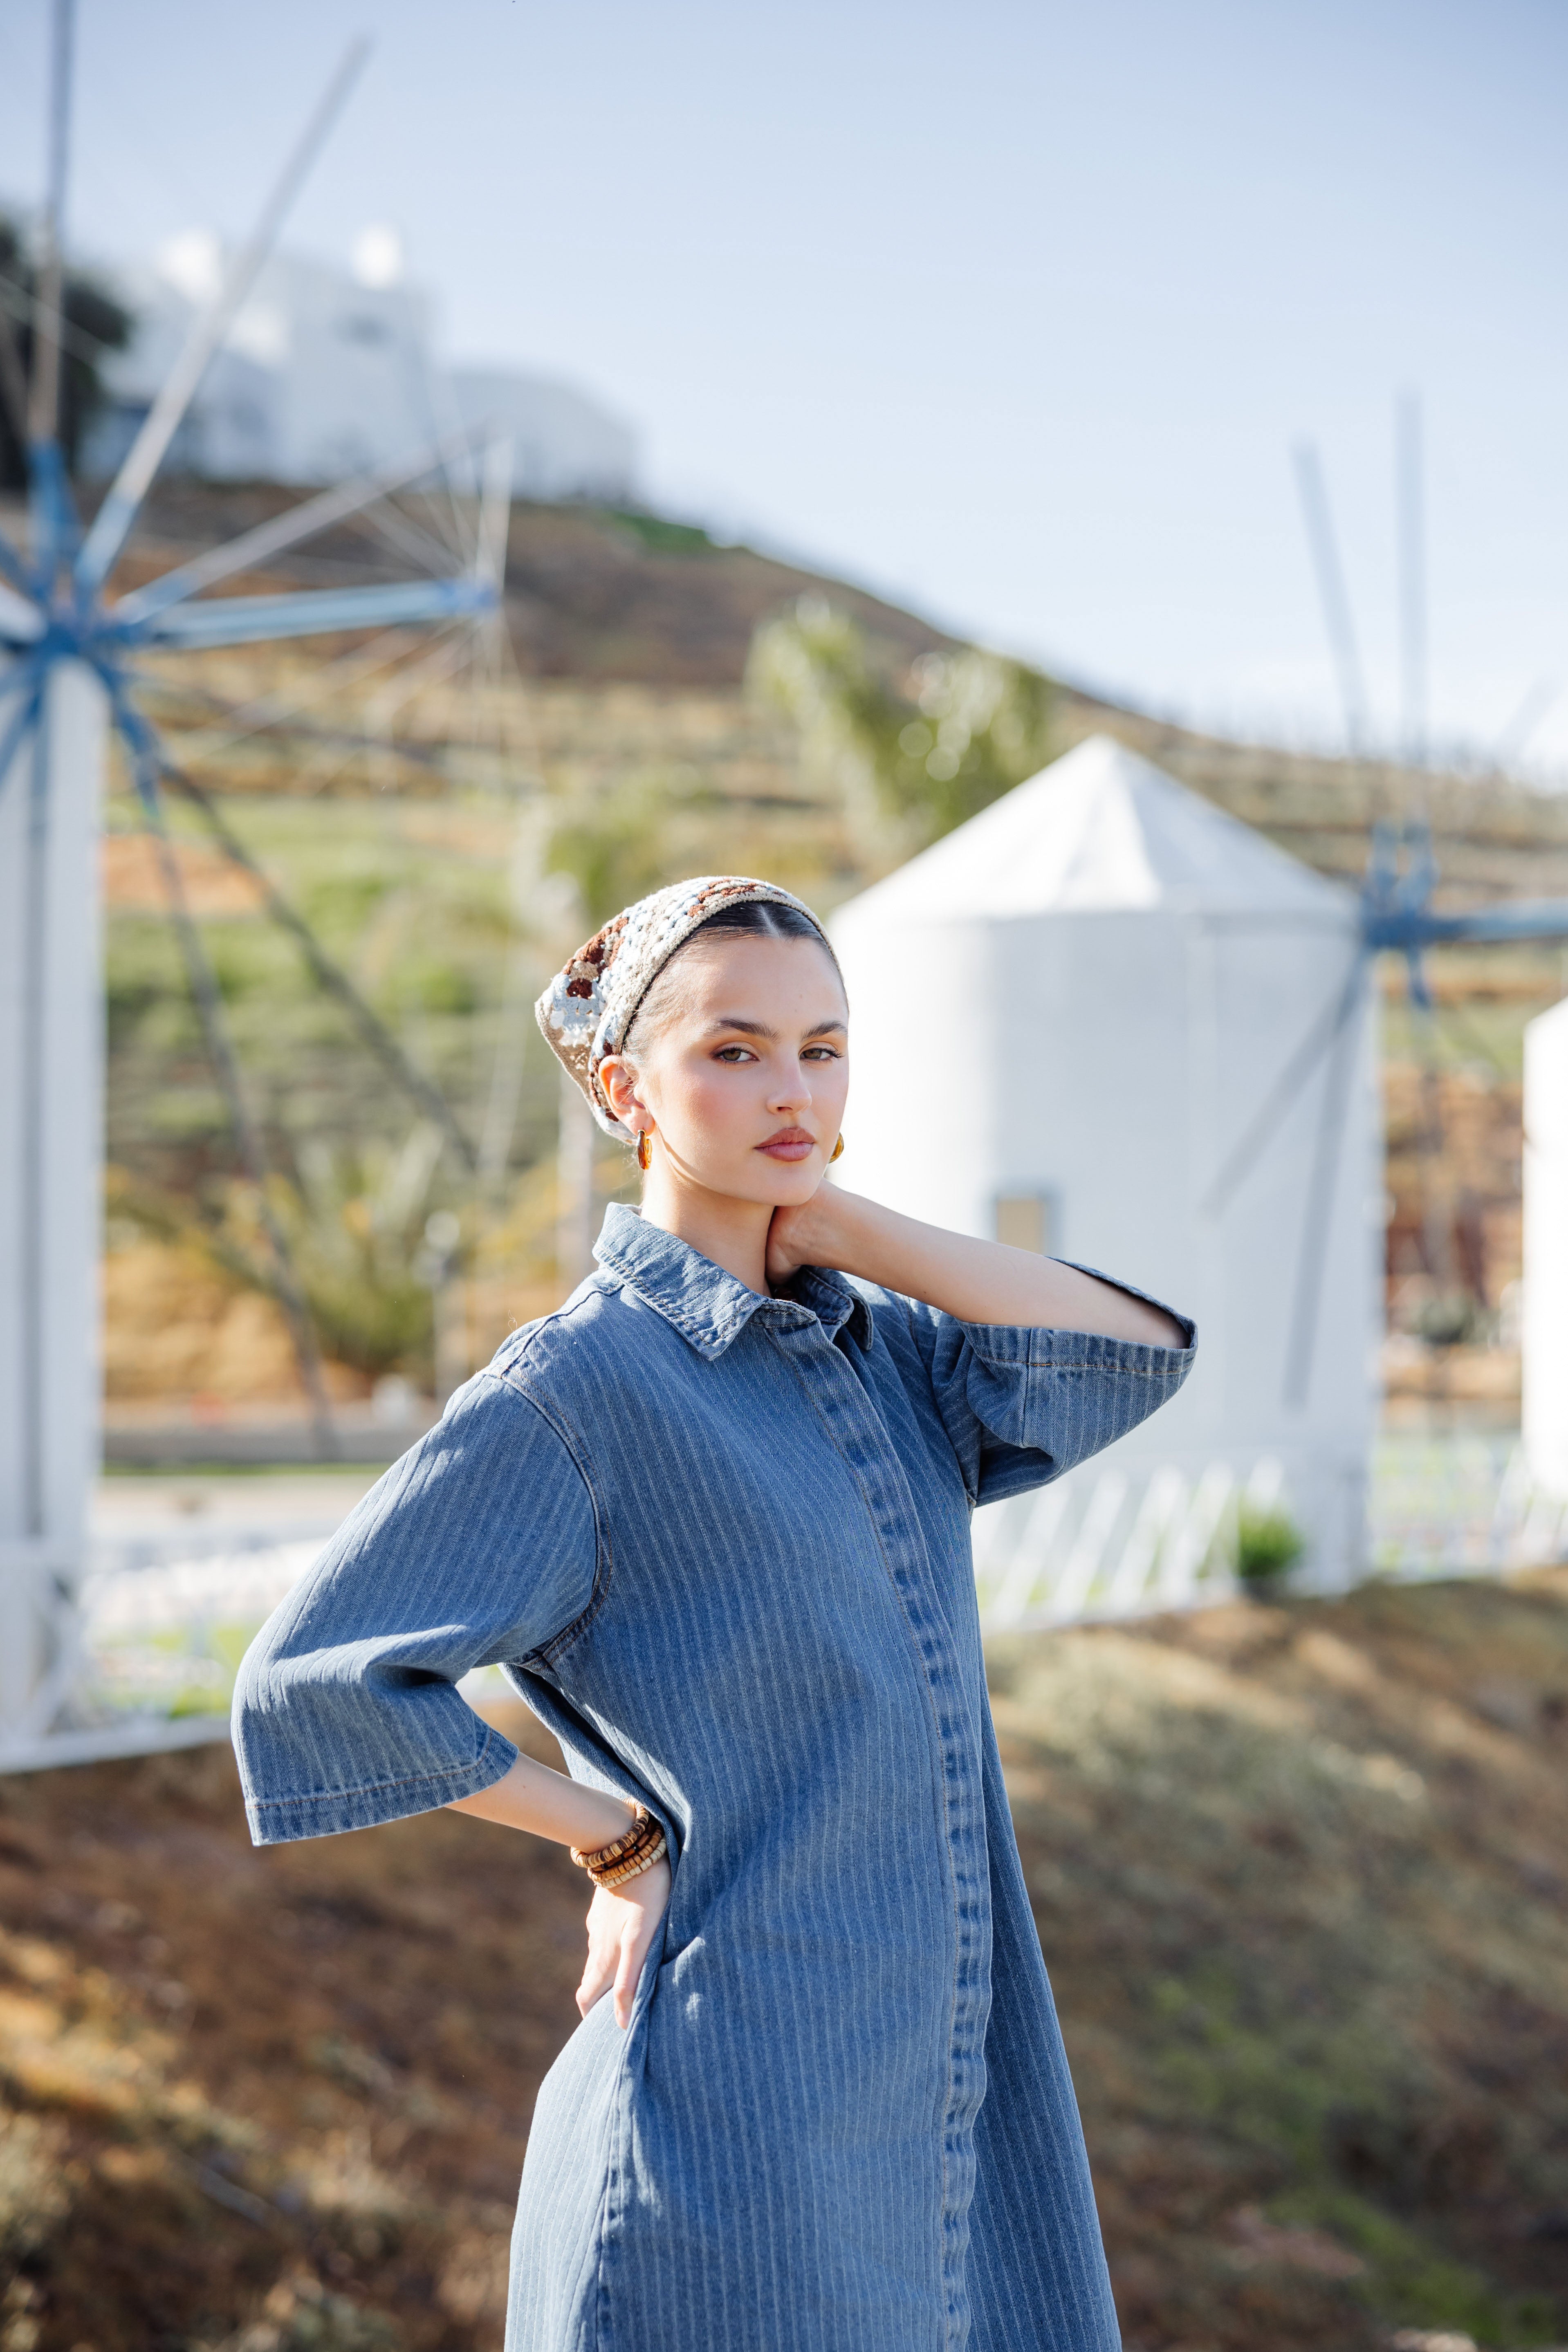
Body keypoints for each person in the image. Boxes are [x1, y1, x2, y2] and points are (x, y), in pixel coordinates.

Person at [232, 873, 1195, 2352]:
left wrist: (846, 1225)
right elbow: (317, 1684)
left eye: (824, 1049)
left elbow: (1126, 1348)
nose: (790, 1089)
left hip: (938, 2105)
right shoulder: (577, 1391)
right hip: (727, 2128)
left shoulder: (890, 1358)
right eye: (734, 1052)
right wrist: (608, 1833)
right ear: (626, 1087)